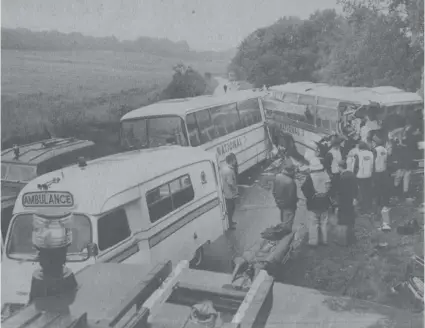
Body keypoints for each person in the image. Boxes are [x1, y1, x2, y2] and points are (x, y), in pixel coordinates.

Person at [301, 157, 332, 246]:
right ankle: (324, 240)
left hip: (314, 203)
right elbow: (330, 188)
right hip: (325, 202)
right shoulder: (326, 175)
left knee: (313, 223)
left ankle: (313, 242)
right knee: (324, 223)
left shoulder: (309, 177)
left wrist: (309, 197)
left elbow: (304, 189)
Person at [336, 160, 358, 246]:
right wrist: (355, 198)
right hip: (351, 201)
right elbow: (356, 188)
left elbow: (341, 192)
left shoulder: (342, 177)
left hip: (344, 201)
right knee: (351, 220)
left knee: (343, 221)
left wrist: (338, 204)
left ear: (340, 167)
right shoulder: (352, 174)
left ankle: (343, 241)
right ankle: (353, 239)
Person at [371, 135, 391, 230]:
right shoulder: (384, 150)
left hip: (376, 173)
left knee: (376, 192)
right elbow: (386, 160)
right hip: (383, 171)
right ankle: (384, 206)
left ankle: (377, 211)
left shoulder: (375, 150)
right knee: (383, 190)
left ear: (374, 142)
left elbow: (372, 162)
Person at [272, 160, 298, 231]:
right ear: (291, 171)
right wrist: (295, 205)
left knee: (283, 219)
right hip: (288, 206)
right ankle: (286, 237)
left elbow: (273, 192)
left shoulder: (277, 177)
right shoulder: (291, 182)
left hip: (280, 204)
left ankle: (283, 228)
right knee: (288, 225)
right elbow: (292, 198)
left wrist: (278, 201)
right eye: (294, 171)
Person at [353, 141, 374, 214]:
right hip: (369, 175)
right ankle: (369, 207)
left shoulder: (358, 154)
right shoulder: (371, 153)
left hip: (360, 176)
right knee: (368, 192)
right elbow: (372, 164)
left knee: (361, 192)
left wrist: (354, 175)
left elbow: (356, 166)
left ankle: (363, 209)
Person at [324, 136, 343, 205]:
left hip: (339, 173)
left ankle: (337, 202)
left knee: (338, 189)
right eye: (337, 145)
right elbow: (326, 165)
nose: (338, 146)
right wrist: (330, 175)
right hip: (333, 174)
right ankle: (331, 203)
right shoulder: (330, 153)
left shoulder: (339, 150)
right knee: (333, 190)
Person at [221, 154, 238, 229]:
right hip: (229, 193)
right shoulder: (229, 171)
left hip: (226, 193)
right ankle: (230, 224)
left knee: (230, 208)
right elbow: (230, 183)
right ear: (232, 160)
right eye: (234, 159)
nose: (235, 161)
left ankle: (230, 221)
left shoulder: (225, 168)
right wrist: (235, 190)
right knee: (231, 208)